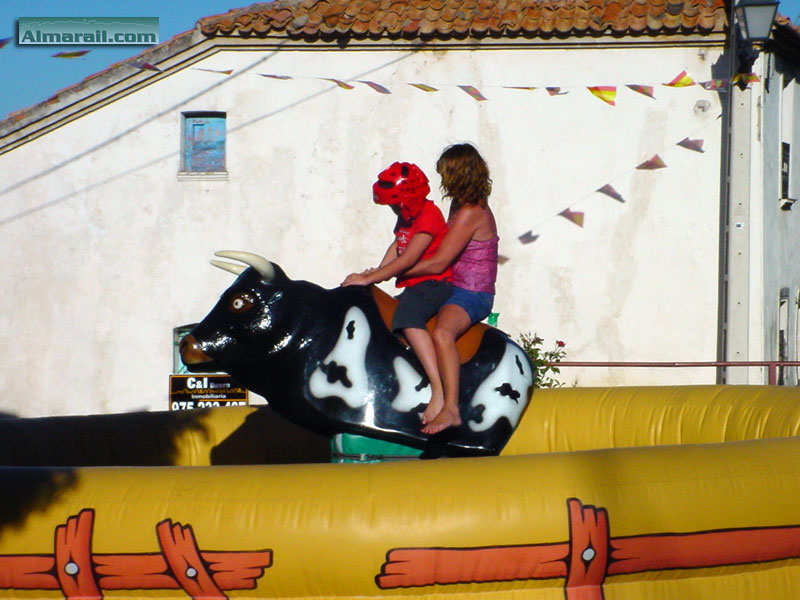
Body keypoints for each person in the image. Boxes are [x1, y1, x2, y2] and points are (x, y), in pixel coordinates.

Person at [401, 143, 499, 435]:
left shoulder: (472, 211)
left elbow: (439, 262)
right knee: (403, 312)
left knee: (443, 332)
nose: (442, 180)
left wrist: (396, 270)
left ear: (458, 175)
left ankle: (450, 407)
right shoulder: (458, 205)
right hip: (451, 285)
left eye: (445, 174)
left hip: (473, 293)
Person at [342, 162, 452, 416]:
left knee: (407, 317)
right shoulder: (406, 217)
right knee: (382, 315)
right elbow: (397, 245)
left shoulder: (429, 215)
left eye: (395, 204)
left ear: (408, 199)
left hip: (435, 284)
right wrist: (377, 271)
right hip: (414, 286)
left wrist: (371, 278)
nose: (393, 210)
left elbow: (408, 259)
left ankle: (438, 389)